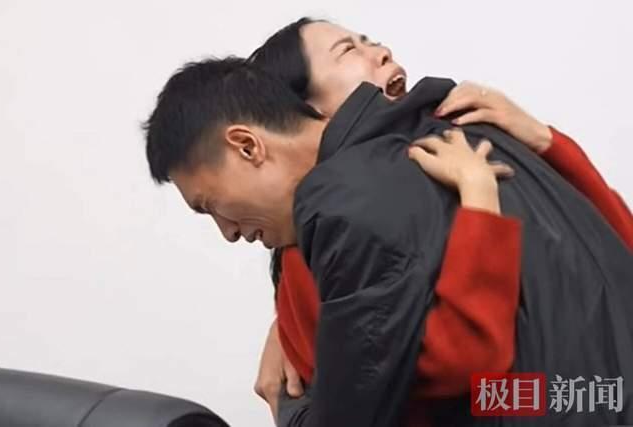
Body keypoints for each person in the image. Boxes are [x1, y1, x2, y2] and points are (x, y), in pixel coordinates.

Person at [143, 57, 633, 425]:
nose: (227, 231)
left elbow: (460, 365)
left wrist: (292, 410)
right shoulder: (457, 141)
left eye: (210, 204)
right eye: (347, 49)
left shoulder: (350, 193)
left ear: (248, 143)